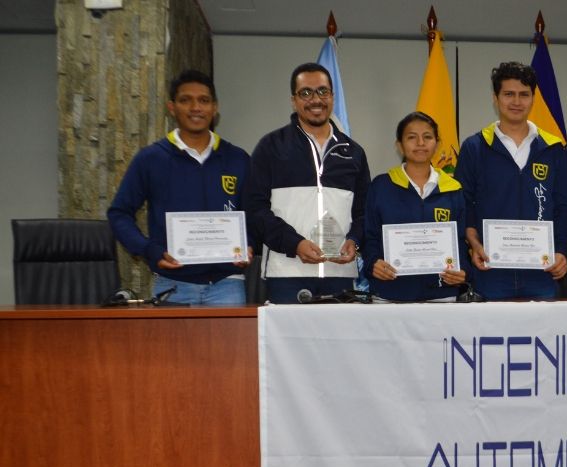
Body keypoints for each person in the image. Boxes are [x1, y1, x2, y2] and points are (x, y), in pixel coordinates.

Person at [107, 69, 251, 305]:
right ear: (172, 107)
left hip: (228, 285)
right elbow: (119, 213)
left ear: (215, 108)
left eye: (203, 100)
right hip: (171, 285)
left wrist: (250, 244)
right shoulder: (150, 159)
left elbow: (253, 212)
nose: (196, 107)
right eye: (186, 100)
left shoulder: (238, 159)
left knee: (229, 345)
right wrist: (149, 249)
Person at [244, 62, 370, 304]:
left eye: (323, 91)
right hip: (287, 272)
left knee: (339, 342)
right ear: (294, 100)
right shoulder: (271, 147)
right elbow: (255, 210)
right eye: (306, 93)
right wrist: (296, 243)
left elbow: (365, 212)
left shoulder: (353, 152)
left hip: (340, 273)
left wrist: (354, 240)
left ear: (332, 97)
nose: (316, 100)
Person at [454, 61, 567, 300]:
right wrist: (473, 244)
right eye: (508, 94)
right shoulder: (474, 147)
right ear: (495, 98)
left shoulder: (554, 149)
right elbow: (463, 205)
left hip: (542, 271)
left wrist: (561, 252)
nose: (516, 102)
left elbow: (563, 207)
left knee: (543, 336)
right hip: (490, 270)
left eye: (523, 95)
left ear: (533, 98)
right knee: (490, 336)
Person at [362, 112, 468, 301]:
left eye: (427, 137)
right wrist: (373, 264)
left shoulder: (453, 190)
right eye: (412, 137)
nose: (420, 143)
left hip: (441, 295)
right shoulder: (381, 186)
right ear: (399, 145)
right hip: (390, 294)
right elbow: (370, 236)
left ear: (438, 143)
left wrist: (462, 272)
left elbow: (461, 241)